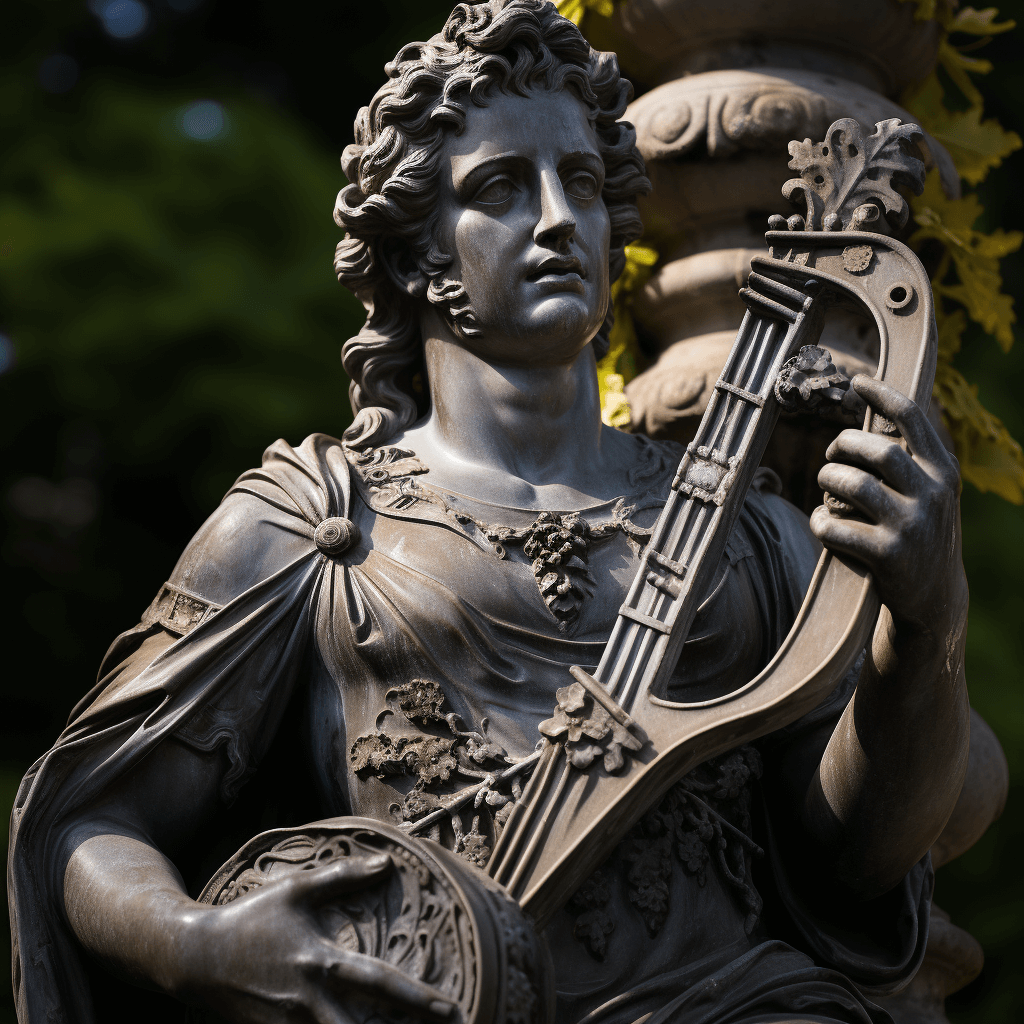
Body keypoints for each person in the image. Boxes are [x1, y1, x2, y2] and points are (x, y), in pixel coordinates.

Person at [9, 2, 970, 1023]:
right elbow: (92, 818)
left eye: (585, 184)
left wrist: (926, 622)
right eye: (503, 188)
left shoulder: (749, 531)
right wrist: (198, 942)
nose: (559, 218)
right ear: (418, 249)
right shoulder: (315, 525)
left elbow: (864, 859)